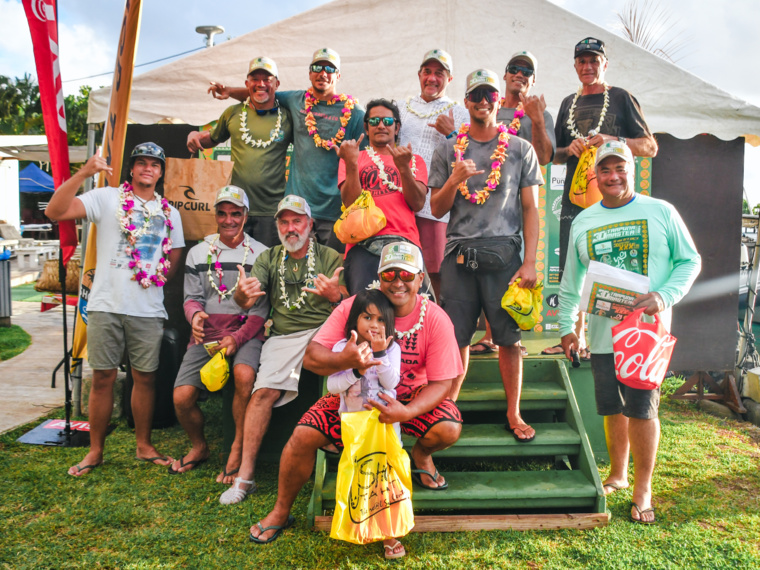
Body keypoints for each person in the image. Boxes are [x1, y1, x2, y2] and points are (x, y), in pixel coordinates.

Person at [248, 242, 463, 557]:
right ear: (379, 276)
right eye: (390, 273)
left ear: (420, 279)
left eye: (407, 274)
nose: (398, 281)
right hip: (353, 396)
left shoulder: (435, 318)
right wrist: (346, 360)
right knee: (301, 436)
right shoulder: (355, 307)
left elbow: (444, 381)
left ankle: (420, 454)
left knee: (447, 428)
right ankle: (281, 510)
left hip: (409, 396)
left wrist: (407, 411)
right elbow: (312, 357)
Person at [559, 140, 700, 524]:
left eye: (619, 168)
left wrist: (664, 295)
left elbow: (690, 260)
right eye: (605, 170)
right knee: (611, 407)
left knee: (641, 408)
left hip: (644, 336)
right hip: (603, 334)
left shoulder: (660, 211)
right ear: (595, 175)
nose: (612, 176)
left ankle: (643, 490)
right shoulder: (584, 221)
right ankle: (618, 475)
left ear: (633, 169)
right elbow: (571, 283)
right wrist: (567, 328)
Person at [45, 143, 185, 476]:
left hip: (147, 309)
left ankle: (143, 445)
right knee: (104, 377)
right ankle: (95, 451)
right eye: (141, 163)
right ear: (132, 169)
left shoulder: (169, 212)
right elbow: (54, 211)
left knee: (145, 378)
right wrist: (84, 173)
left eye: (154, 164)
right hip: (106, 303)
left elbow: (176, 251)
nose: (147, 169)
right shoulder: (106, 198)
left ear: (161, 172)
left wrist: (160, 277)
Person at [429, 69, 543, 442]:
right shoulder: (448, 149)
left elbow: (531, 209)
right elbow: (437, 207)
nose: (483, 101)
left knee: (508, 339)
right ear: (465, 102)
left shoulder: (520, 148)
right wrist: (454, 180)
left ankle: (514, 412)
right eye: (476, 95)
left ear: (499, 100)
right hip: (460, 255)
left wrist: (529, 262)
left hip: (505, 255)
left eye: (489, 95)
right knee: (456, 337)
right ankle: (449, 411)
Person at [219, 195, 346, 504]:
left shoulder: (330, 255)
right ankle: (244, 478)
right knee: (262, 394)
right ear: (276, 225)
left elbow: (346, 297)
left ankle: (337, 447)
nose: (291, 228)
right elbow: (248, 298)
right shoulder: (269, 258)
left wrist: (334, 295)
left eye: (297, 221)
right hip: (283, 335)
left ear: (310, 224)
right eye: (284, 221)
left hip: (323, 331)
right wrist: (241, 296)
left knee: (345, 373)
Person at [550, 37, 658, 358]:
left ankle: (614, 341)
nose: (588, 66)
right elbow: (552, 155)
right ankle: (574, 337)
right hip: (577, 200)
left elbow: (650, 146)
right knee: (574, 266)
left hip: (615, 201)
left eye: (594, 61)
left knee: (612, 264)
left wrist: (613, 138)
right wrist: (568, 149)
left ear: (605, 64)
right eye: (582, 61)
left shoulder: (622, 98)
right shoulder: (568, 103)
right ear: (574, 65)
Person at [209, 48, 366, 251]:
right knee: (294, 269)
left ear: (338, 75)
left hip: (334, 211)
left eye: (330, 68)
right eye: (317, 67)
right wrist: (230, 92)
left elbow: (365, 161)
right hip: (297, 209)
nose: (323, 73)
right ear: (310, 73)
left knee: (329, 272)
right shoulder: (295, 100)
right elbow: (263, 93)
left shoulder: (354, 113)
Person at [169, 186, 269, 483]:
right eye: (222, 213)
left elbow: (260, 313)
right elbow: (191, 299)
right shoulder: (199, 252)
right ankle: (199, 446)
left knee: (243, 376)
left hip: (245, 333)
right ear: (215, 215)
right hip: (207, 335)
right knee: (181, 397)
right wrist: (194, 316)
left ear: (246, 216)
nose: (228, 220)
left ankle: (237, 447)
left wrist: (237, 339)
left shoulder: (261, 255)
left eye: (235, 213)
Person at [472, 50, 557, 357]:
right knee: (483, 274)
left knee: (513, 273)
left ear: (532, 81)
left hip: (518, 205)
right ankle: (491, 335)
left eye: (527, 71)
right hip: (481, 205)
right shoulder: (488, 108)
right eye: (514, 69)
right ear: (505, 75)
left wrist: (535, 119)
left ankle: (510, 337)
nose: (520, 74)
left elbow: (545, 157)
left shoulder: (541, 113)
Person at [187, 57, 292, 247]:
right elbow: (212, 138)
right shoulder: (232, 113)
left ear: (277, 84)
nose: (261, 84)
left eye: (267, 79)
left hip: (272, 211)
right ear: (247, 83)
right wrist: (194, 134)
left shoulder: (287, 115)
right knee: (233, 268)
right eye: (255, 79)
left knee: (267, 270)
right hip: (235, 210)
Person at [398, 49, 469, 300]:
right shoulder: (401, 107)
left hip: (435, 206)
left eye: (439, 73)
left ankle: (437, 325)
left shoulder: (459, 112)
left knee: (436, 273)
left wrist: (452, 134)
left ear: (449, 79)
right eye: (427, 72)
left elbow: (469, 159)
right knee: (401, 269)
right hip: (402, 203)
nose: (432, 78)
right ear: (419, 75)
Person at [337, 98, 428, 294]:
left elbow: (418, 203)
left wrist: (404, 168)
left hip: (404, 242)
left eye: (387, 121)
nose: (380, 125)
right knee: (365, 310)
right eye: (374, 121)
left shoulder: (413, 159)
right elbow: (350, 203)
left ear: (397, 128)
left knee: (411, 309)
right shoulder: (354, 157)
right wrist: (352, 164)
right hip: (362, 245)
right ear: (365, 127)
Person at [326, 288, 401, 441]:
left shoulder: (392, 348)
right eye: (367, 317)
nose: (374, 325)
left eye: (381, 320)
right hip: (354, 421)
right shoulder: (343, 348)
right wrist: (356, 373)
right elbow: (332, 387)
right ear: (355, 319)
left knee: (389, 459)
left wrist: (380, 354)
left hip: (385, 419)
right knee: (358, 461)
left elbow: (391, 383)